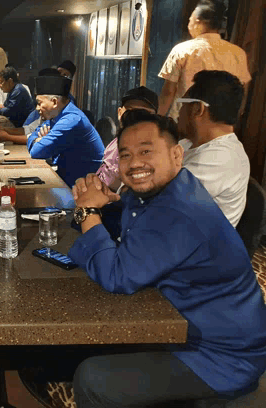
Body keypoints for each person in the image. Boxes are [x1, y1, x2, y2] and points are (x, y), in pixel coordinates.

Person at [69, 110, 266, 407]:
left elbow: (116, 276)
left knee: (91, 377)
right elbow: (130, 226)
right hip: (183, 323)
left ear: (177, 155)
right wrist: (102, 202)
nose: (135, 163)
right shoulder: (166, 189)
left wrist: (88, 211)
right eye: (125, 155)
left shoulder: (179, 213)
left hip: (219, 355)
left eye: (146, 151)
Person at [176, 70, 250, 227]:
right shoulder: (188, 144)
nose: (178, 113)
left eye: (182, 105)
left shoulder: (223, 157)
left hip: (195, 247)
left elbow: (162, 201)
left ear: (198, 109)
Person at [158, 0, 251, 119]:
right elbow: (243, 92)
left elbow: (169, 92)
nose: (189, 24)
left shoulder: (182, 50)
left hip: (184, 120)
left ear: (197, 22)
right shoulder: (238, 53)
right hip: (221, 123)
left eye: (190, 20)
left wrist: (158, 118)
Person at [27, 74, 104, 187]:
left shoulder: (71, 119)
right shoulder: (56, 116)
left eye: (39, 103)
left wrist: (38, 141)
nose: (37, 108)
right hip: (66, 177)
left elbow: (36, 152)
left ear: (54, 102)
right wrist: (36, 139)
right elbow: (32, 135)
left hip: (83, 185)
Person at [96, 86, 158, 191]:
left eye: (144, 113)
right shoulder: (115, 141)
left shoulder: (155, 150)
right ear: (120, 112)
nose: (135, 117)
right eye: (130, 111)